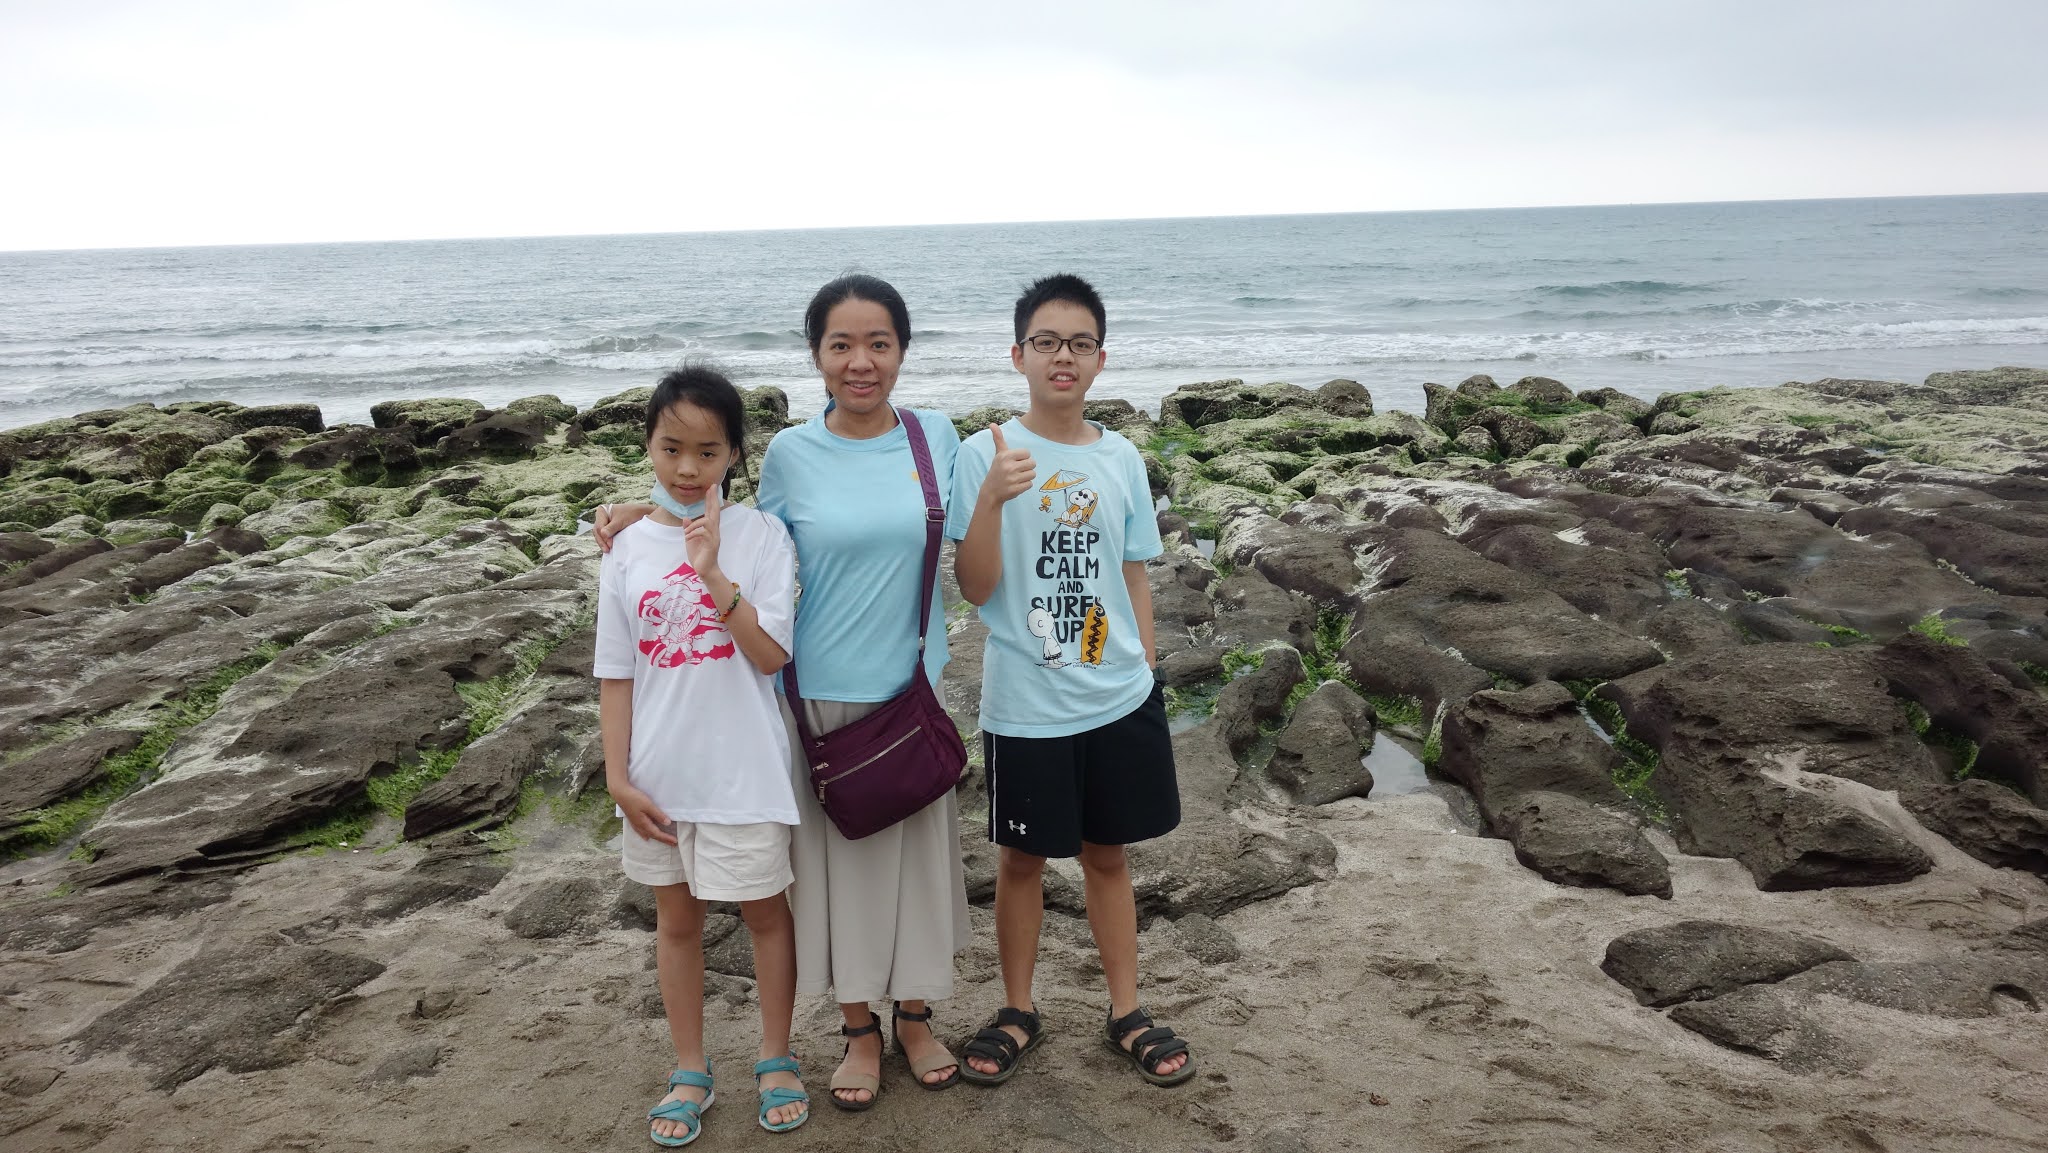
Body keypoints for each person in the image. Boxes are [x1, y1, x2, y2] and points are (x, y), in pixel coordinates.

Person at [597, 275, 969, 1110]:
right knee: (833, 882)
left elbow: (977, 524)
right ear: (815, 355)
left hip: (909, 688)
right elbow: (716, 512)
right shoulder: (794, 454)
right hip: (814, 695)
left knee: (914, 873)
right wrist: (632, 509)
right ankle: (858, 1032)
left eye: (879, 343)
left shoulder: (937, 438)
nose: (860, 361)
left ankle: (915, 1017)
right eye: (841, 344)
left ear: (903, 351)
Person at [945, 273, 1195, 1088]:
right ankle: (1018, 1008)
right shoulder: (982, 453)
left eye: (1080, 343)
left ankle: (1127, 1010)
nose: (1064, 356)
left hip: (1116, 692)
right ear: (1018, 354)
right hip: (1026, 701)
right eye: (1047, 342)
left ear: (1100, 360)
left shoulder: (1120, 456)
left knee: (1107, 855)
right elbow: (974, 587)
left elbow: (1135, 573)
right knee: (1020, 859)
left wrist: (1146, 667)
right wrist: (991, 498)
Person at [594, 366, 810, 1145]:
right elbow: (616, 675)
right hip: (658, 776)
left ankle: (776, 1056)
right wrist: (617, 778)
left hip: (743, 771)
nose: (688, 468)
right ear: (648, 446)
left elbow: (771, 654)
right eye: (671, 448)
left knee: (765, 916)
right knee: (677, 923)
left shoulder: (763, 536)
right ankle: (690, 1066)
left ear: (735, 454)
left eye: (708, 451)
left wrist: (712, 569)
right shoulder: (624, 547)